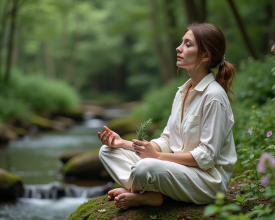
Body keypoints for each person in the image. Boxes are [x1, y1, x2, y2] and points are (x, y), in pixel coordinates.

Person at [97, 23, 237, 210]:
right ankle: (148, 193)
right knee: (107, 152)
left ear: (205, 55)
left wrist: (157, 157)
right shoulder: (182, 92)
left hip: (206, 182)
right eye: (182, 42)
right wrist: (122, 143)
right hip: (179, 171)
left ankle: (142, 193)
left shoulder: (214, 96)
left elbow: (207, 157)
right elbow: (167, 140)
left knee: (145, 167)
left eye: (188, 44)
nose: (179, 48)